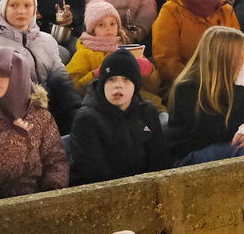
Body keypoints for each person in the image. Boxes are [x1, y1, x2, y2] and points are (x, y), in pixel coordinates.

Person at [0, 0, 80, 132]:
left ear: (35, 9)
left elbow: (62, 81)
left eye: (27, 6)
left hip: (47, 112)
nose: (21, 11)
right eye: (13, 5)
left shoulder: (46, 40)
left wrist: (77, 111)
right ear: (3, 9)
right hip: (9, 119)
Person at [166, 26, 244, 165]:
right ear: (227, 58)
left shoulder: (237, 79)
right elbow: (217, 133)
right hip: (190, 155)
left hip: (221, 145)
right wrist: (242, 92)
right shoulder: (188, 89)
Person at [0, 45, 68, 199]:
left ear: (19, 78)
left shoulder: (41, 116)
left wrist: (51, 194)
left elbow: (56, 160)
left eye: (3, 74)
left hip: (37, 200)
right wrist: (13, 138)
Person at [67, 47, 169, 185]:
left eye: (126, 79)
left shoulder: (147, 111)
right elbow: (95, 174)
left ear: (136, 85)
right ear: (102, 83)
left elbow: (159, 159)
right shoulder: (86, 119)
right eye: (111, 79)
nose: (118, 86)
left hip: (146, 191)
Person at [151, 0, 242, 89]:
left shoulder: (225, 10)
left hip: (223, 84)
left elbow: (237, 52)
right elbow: (165, 59)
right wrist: (194, 84)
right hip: (183, 86)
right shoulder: (171, 10)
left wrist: (223, 81)